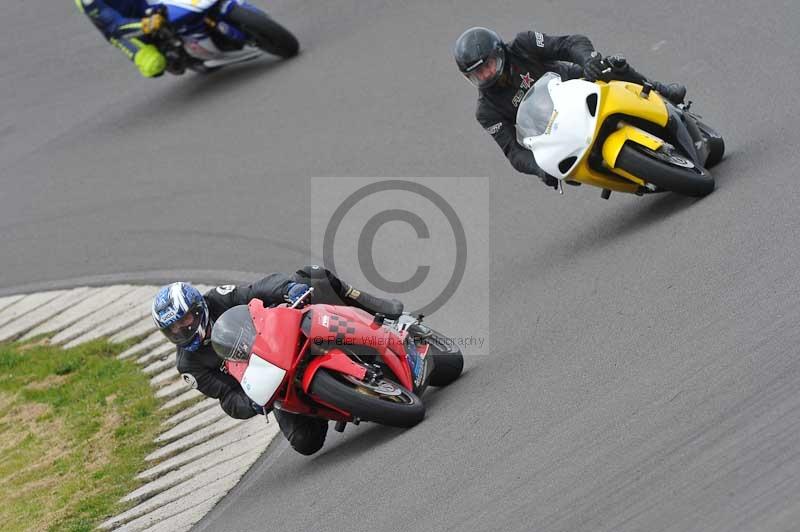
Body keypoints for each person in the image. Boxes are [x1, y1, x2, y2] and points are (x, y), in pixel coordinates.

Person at [151, 265, 405, 456]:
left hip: (283, 336)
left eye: (184, 321)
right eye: (172, 329)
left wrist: (287, 290)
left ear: (198, 308)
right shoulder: (189, 366)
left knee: (313, 274)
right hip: (273, 382)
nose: (181, 330)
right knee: (306, 443)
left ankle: (377, 311)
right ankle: (334, 400)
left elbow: (256, 289)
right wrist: (250, 403)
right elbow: (226, 398)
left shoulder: (217, 298)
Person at [454, 27, 687, 189]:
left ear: (499, 52)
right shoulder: (486, 111)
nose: (485, 75)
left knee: (612, 65)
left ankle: (660, 90)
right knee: (568, 171)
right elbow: (513, 152)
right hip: (555, 132)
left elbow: (569, 43)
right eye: (477, 73)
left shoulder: (523, 44)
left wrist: (588, 60)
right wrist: (540, 170)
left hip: (577, 86)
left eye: (488, 66)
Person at [75, 0, 169, 78]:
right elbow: (113, 24)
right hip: (124, 29)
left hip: (143, 6)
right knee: (153, 64)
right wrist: (145, 25)